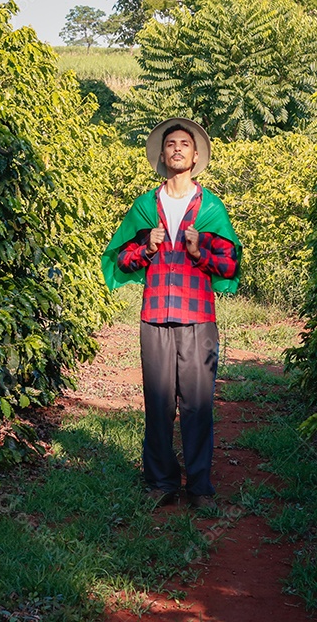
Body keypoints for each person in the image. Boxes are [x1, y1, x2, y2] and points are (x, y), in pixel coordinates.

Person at [100, 118, 242, 510]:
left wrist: (199, 252)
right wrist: (146, 249)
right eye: (171, 144)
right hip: (155, 317)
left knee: (198, 405)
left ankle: (199, 487)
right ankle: (161, 482)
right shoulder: (145, 207)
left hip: (198, 319)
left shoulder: (211, 208)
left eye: (185, 144)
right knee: (158, 404)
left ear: (195, 157)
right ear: (162, 156)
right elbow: (121, 259)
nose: (177, 149)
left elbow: (230, 265)